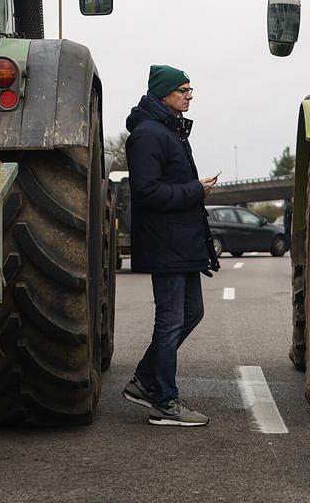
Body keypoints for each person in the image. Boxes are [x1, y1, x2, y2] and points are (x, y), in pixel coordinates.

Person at [121, 64, 220, 427]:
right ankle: (164, 401)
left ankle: (145, 380)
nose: (189, 96)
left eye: (190, 90)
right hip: (166, 244)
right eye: (183, 90)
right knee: (169, 322)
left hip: (180, 243)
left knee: (191, 312)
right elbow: (145, 192)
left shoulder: (169, 130)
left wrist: (194, 189)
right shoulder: (148, 135)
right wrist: (196, 189)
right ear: (164, 94)